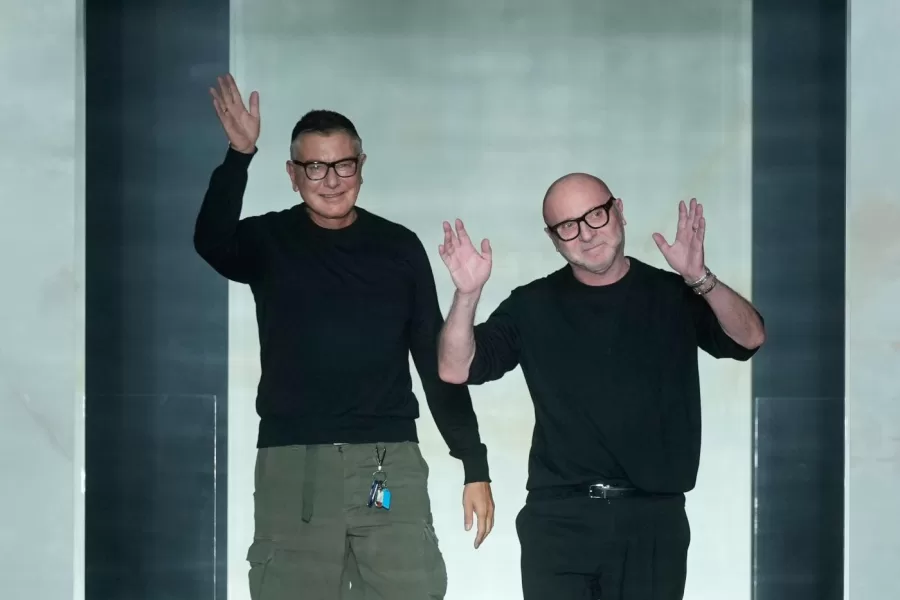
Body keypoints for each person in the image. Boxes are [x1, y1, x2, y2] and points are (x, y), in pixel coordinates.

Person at [194, 74, 495, 600]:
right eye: (315, 167)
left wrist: (473, 463)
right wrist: (240, 155)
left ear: (360, 168)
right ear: (293, 175)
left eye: (343, 165)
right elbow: (211, 241)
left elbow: (433, 358)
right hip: (295, 463)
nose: (330, 180)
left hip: (388, 460)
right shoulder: (268, 240)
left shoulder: (398, 247)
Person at [435, 173, 766, 599]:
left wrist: (700, 277)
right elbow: (454, 368)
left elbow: (750, 337)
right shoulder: (532, 305)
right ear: (553, 239)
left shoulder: (672, 295)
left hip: (652, 519)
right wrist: (467, 294)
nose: (586, 234)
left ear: (619, 210)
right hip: (558, 519)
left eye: (595, 215)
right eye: (568, 226)